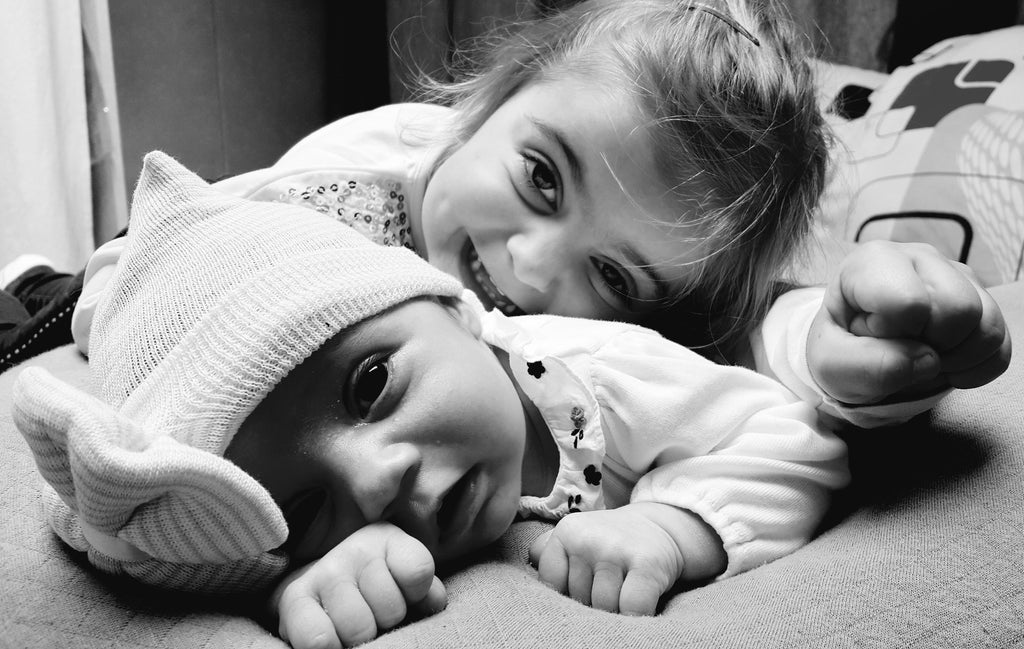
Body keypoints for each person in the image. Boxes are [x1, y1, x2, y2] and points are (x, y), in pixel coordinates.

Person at [10, 152, 854, 649]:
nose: (374, 479)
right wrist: (309, 587)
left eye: (371, 384)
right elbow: (195, 549)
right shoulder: (331, 532)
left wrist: (672, 528)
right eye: (301, 507)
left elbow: (787, 435)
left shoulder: (595, 372)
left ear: (452, 309)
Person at [0, 0, 1010, 413]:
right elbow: (189, 240)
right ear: (491, 102)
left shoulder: (615, 339)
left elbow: (747, 344)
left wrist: (842, 343)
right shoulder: (377, 161)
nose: (530, 267)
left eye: (613, 274)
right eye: (543, 178)